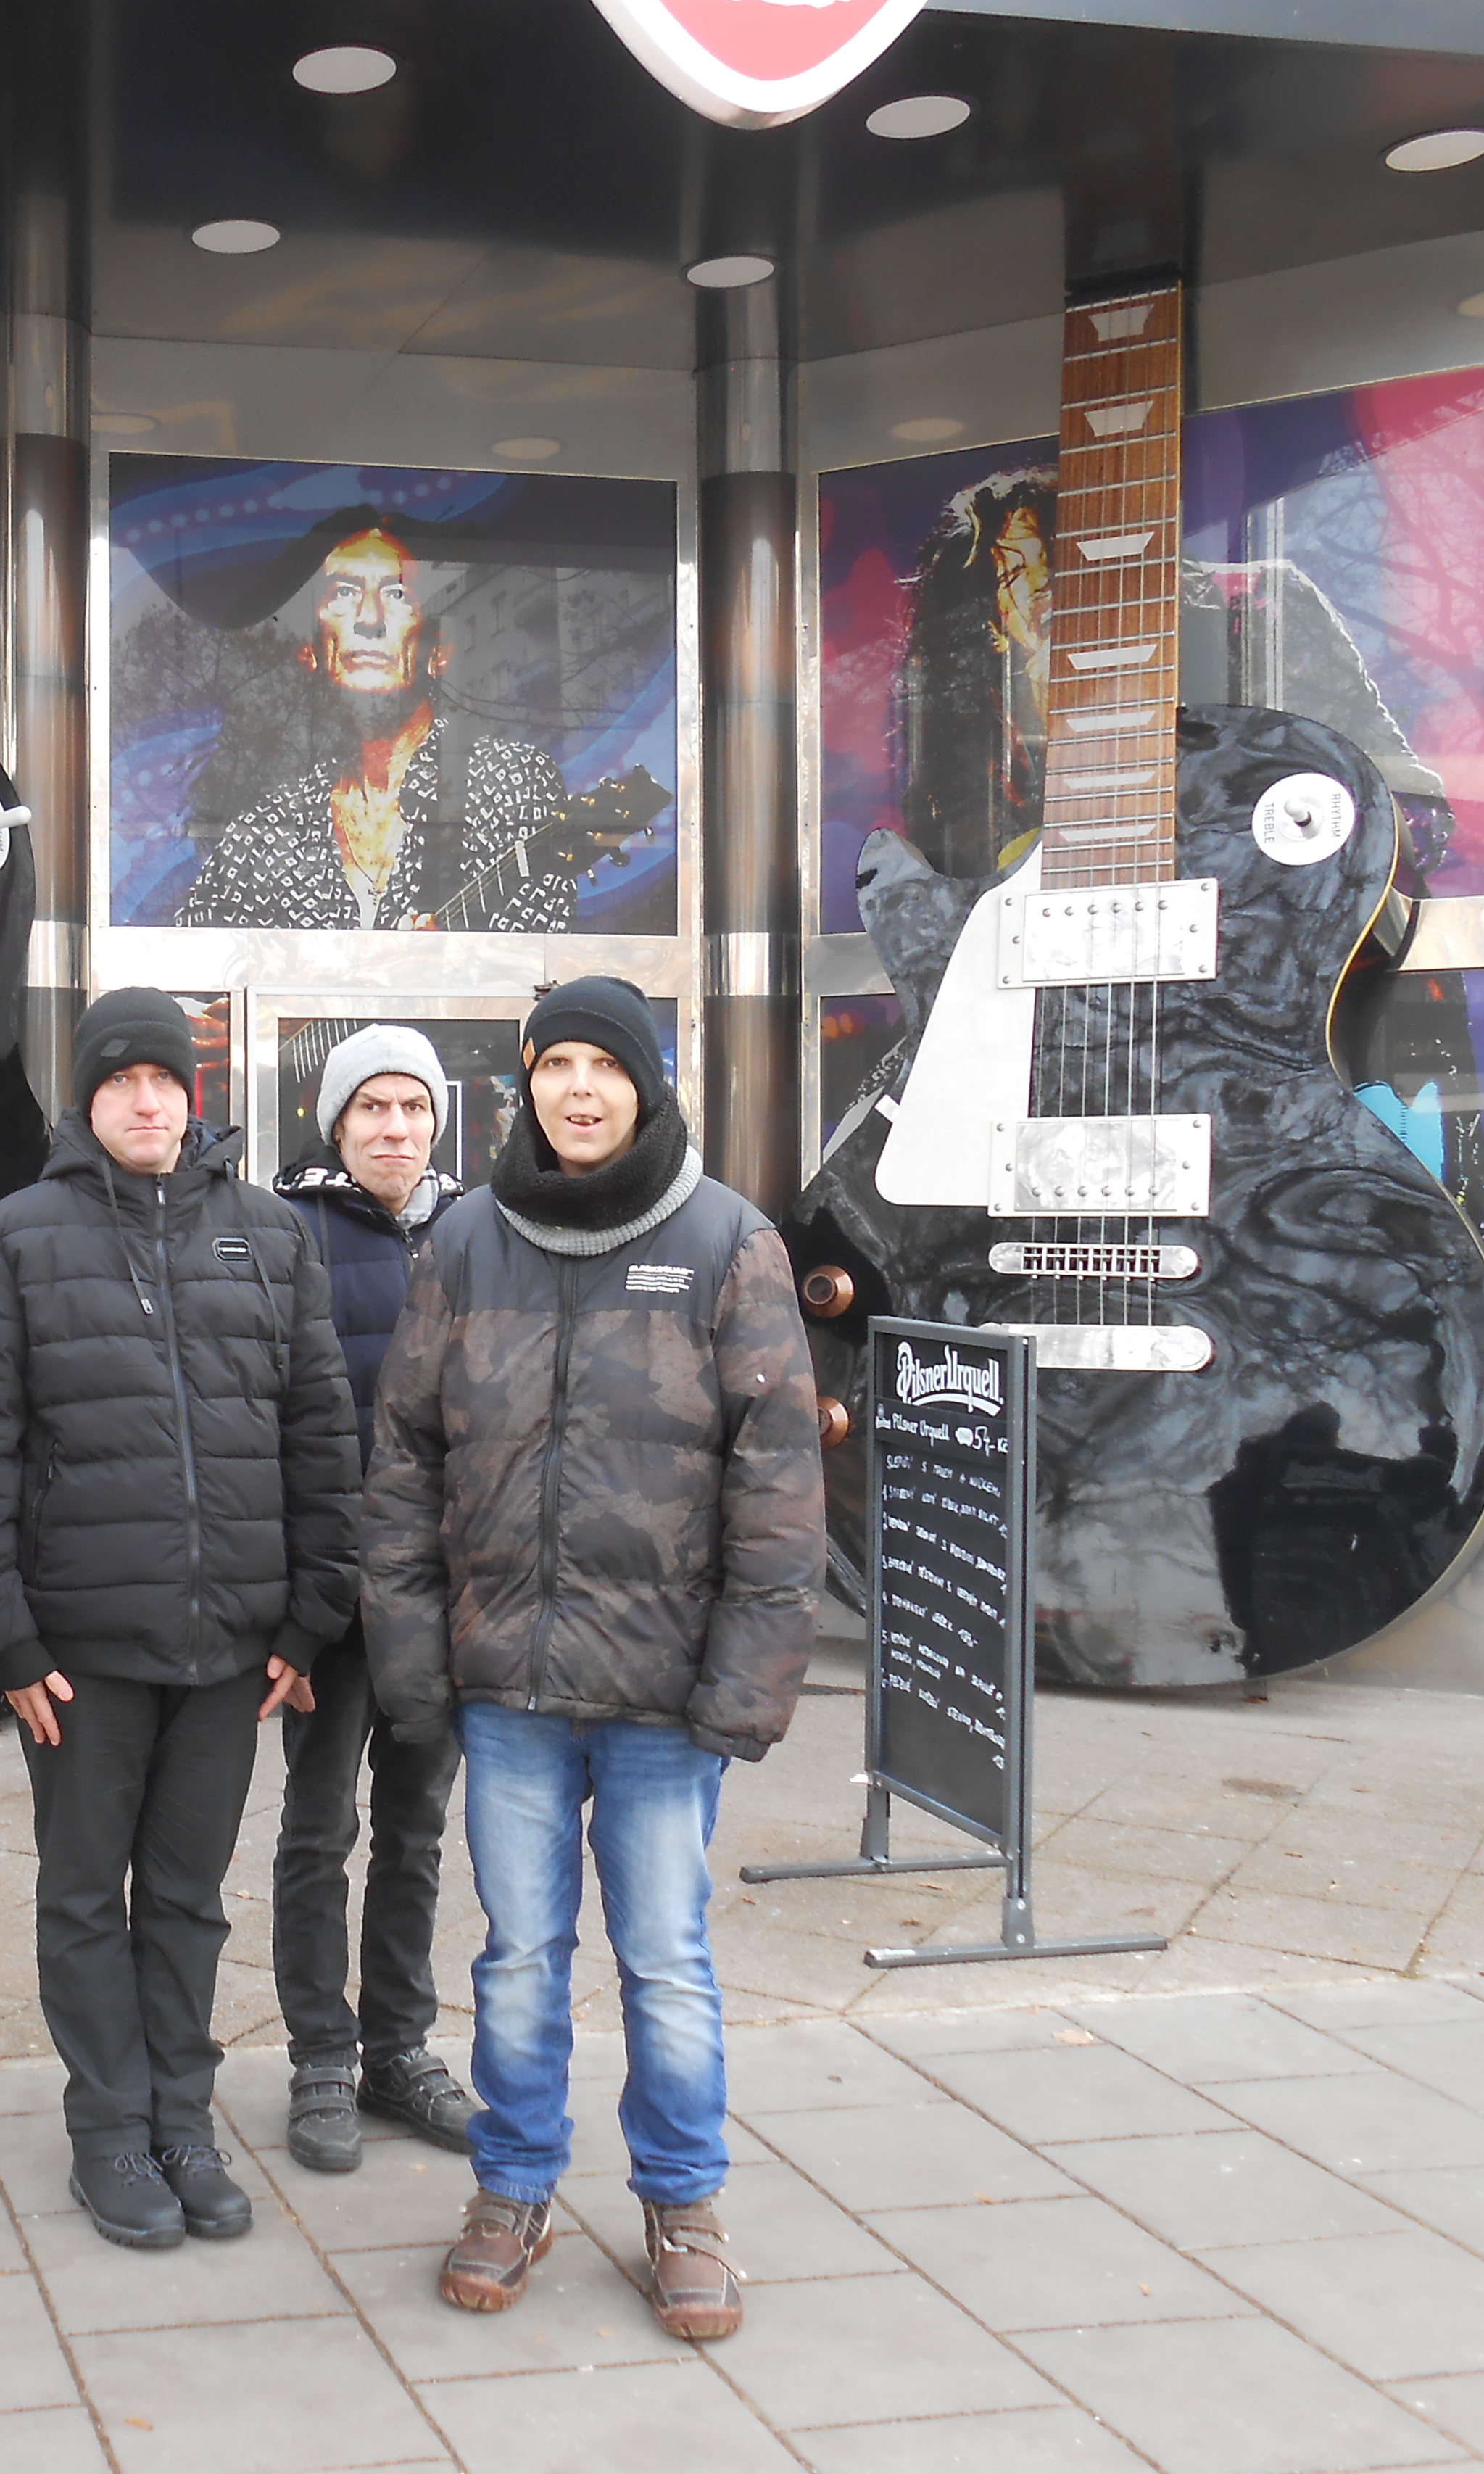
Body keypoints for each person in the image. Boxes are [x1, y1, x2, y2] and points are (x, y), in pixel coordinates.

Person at [363, 975, 823, 2339]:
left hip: (664, 1695)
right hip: (506, 1683)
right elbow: (402, 1462)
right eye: (554, 1064)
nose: (577, 1089)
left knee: (665, 1959)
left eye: (603, 1066)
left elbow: (778, 1480)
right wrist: (411, 1658)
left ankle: (684, 2202)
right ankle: (512, 2186)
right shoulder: (465, 1241)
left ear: (644, 1084)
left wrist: (747, 1678)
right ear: (526, 1084)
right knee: (516, 1957)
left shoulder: (727, 1241)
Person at [0, 987, 360, 2251]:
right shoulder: (18, 1239)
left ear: (192, 1092)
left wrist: (309, 1618)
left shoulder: (268, 1236)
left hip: (231, 1648)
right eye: (119, 1080)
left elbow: (318, 1433)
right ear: (88, 1099)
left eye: (164, 1079)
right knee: (82, 1897)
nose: (145, 1100)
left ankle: (183, 2117)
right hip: (77, 1654)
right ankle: (108, 2131)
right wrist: (4, 1638)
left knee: (187, 1896)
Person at [267, 1026, 475, 2172]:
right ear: (337, 1123)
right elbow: (265, 1428)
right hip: (331, 1599)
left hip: (440, 1597)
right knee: (318, 1831)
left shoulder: (477, 1232)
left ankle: (399, 2049)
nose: (395, 1128)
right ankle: (319, 2058)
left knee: (416, 1831)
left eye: (413, 1108)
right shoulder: (285, 1232)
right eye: (372, 1108)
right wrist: (292, 1608)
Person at [181, 517, 576, 932]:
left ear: (438, 652)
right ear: (311, 652)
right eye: (344, 592)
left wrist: (450, 963)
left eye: (397, 593)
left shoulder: (510, 783)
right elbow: (190, 959)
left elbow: (540, 957)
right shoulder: (263, 833)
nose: (370, 617)